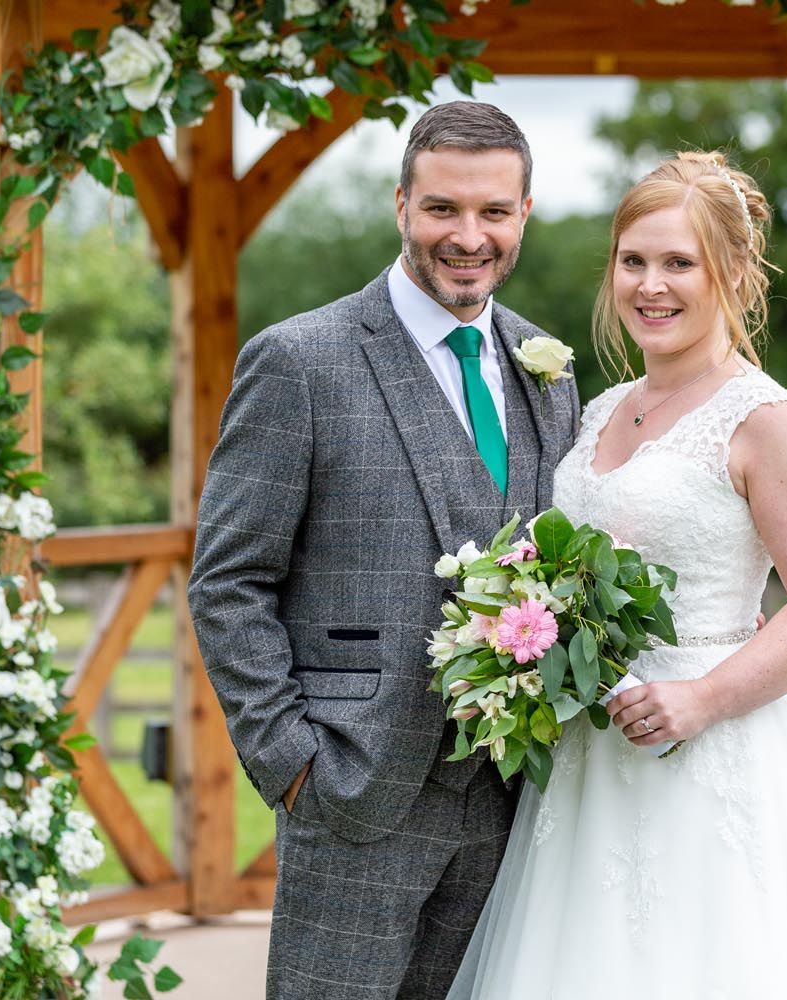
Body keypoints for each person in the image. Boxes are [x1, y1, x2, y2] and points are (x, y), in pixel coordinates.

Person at [445, 152, 787, 998]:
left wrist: (703, 697)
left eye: (678, 263)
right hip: (589, 755)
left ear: (730, 271)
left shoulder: (766, 422)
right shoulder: (600, 410)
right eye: (633, 261)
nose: (650, 286)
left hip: (710, 746)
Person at [186, 101, 579, 1000]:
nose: (468, 235)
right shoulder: (300, 361)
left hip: (514, 801)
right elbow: (229, 582)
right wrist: (293, 764)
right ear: (401, 204)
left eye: (493, 212)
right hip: (354, 787)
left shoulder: (540, 364)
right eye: (442, 208)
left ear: (525, 214)